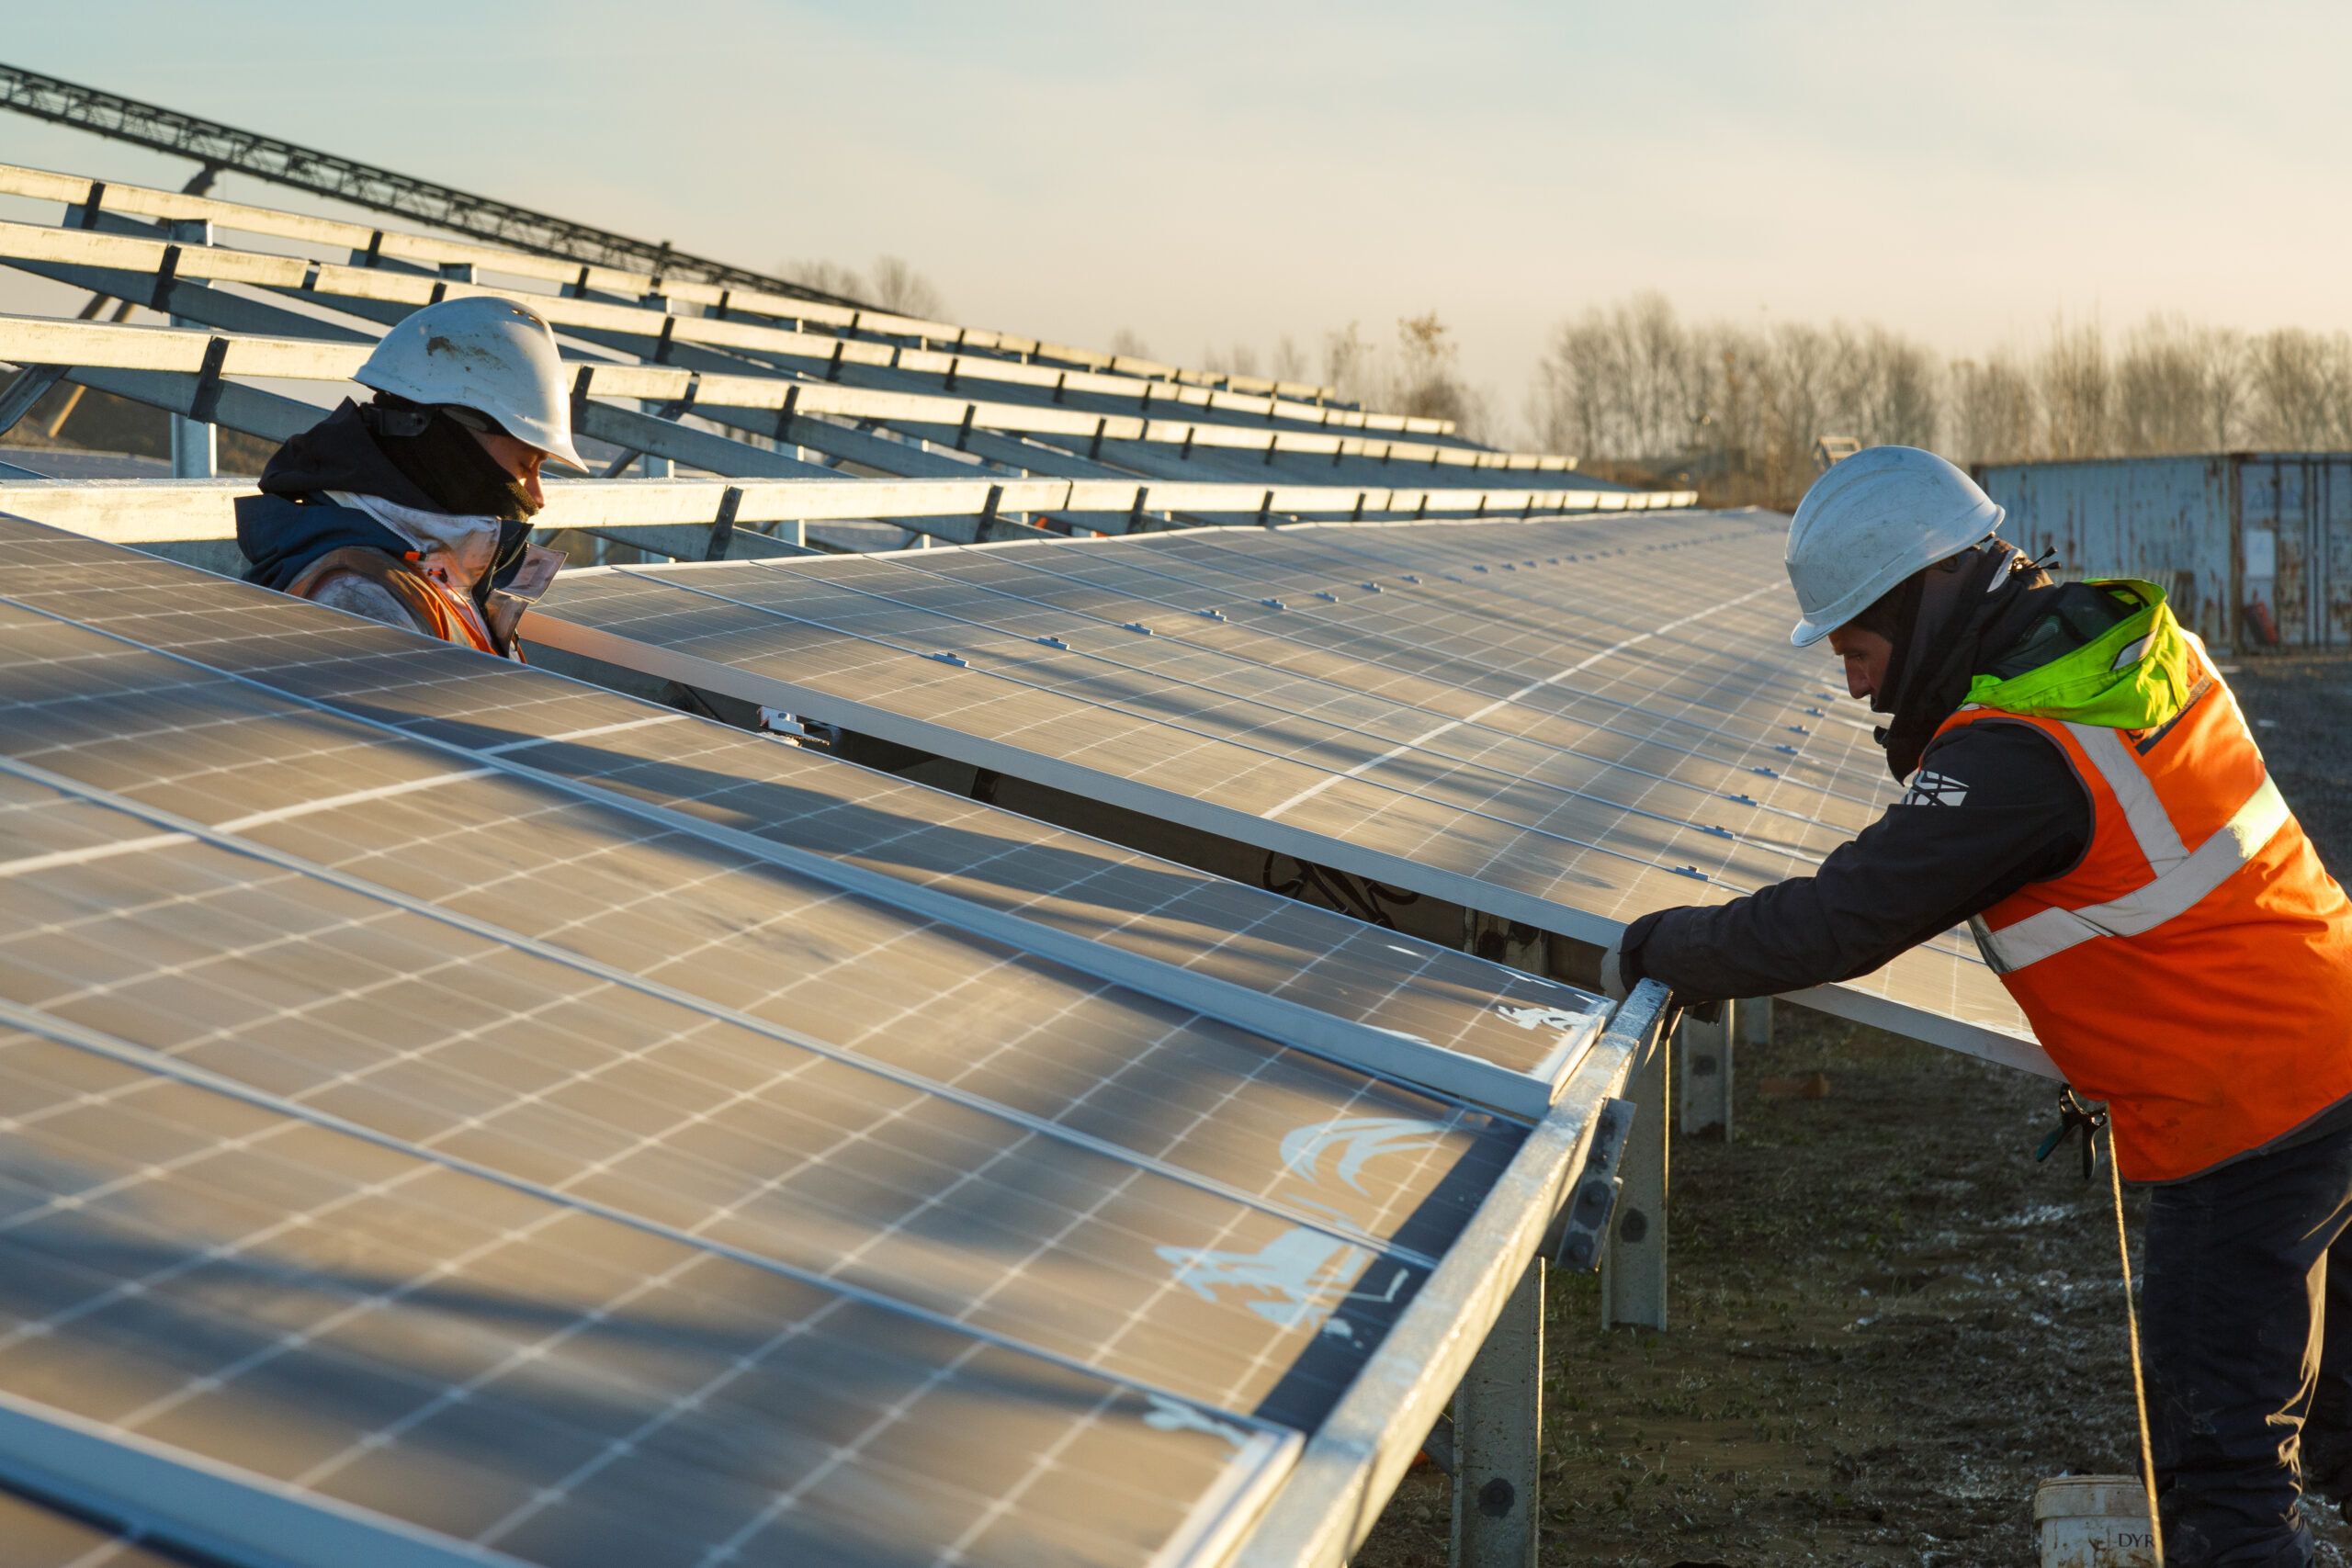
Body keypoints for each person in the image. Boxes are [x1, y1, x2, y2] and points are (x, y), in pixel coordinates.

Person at [1604, 445, 2352, 1568]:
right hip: (2327, 1052)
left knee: (2222, 1491)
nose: (1855, 683)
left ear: (1921, 600)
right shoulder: (2124, 648)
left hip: (2240, 1123)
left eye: (1857, 647)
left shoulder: (2018, 753)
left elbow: (1840, 920)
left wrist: (1646, 944)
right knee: (2338, 1416)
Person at [236, 296, 585, 657]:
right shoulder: (360, 602)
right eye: (526, 465)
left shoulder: (437, 581)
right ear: (451, 450)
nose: (537, 497)